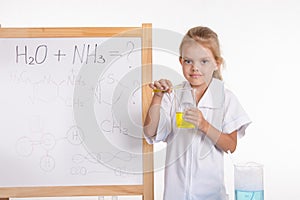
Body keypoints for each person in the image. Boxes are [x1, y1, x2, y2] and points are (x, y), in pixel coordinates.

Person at [143, 26, 251, 200]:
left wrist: (204, 125)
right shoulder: (173, 95)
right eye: (188, 61)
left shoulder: (225, 98)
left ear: (217, 63)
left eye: (204, 61)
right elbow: (150, 131)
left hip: (211, 195)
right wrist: (157, 97)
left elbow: (231, 145)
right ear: (181, 61)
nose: (195, 68)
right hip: (175, 195)